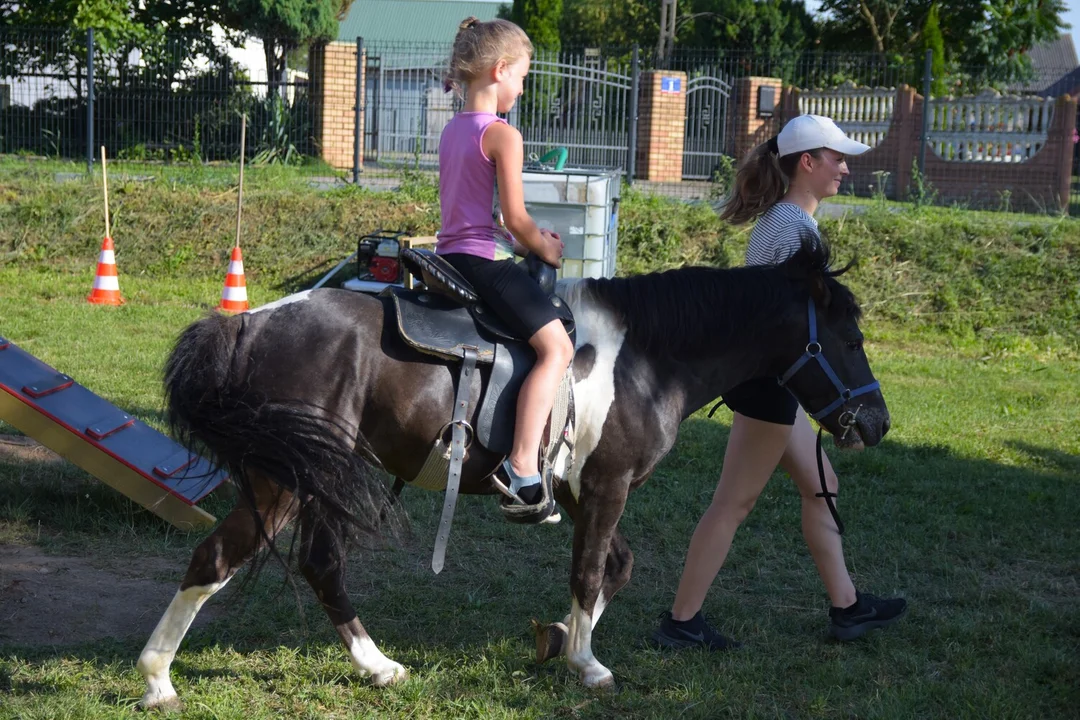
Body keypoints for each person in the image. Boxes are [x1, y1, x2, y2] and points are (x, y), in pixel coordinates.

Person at [652, 115, 907, 647]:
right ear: (806, 163)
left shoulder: (791, 222)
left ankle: (849, 607)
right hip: (769, 386)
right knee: (734, 503)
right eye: (835, 157)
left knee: (822, 487)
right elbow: (783, 327)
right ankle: (681, 623)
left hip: (775, 384)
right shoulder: (789, 227)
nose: (844, 166)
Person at [435, 17, 573, 524]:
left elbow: (478, 213)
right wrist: (547, 248)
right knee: (556, 347)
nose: (521, 87)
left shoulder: (453, 129)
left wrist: (513, 233)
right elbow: (516, 220)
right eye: (522, 77)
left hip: (450, 258)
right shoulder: (503, 135)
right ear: (499, 70)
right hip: (483, 264)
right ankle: (522, 468)